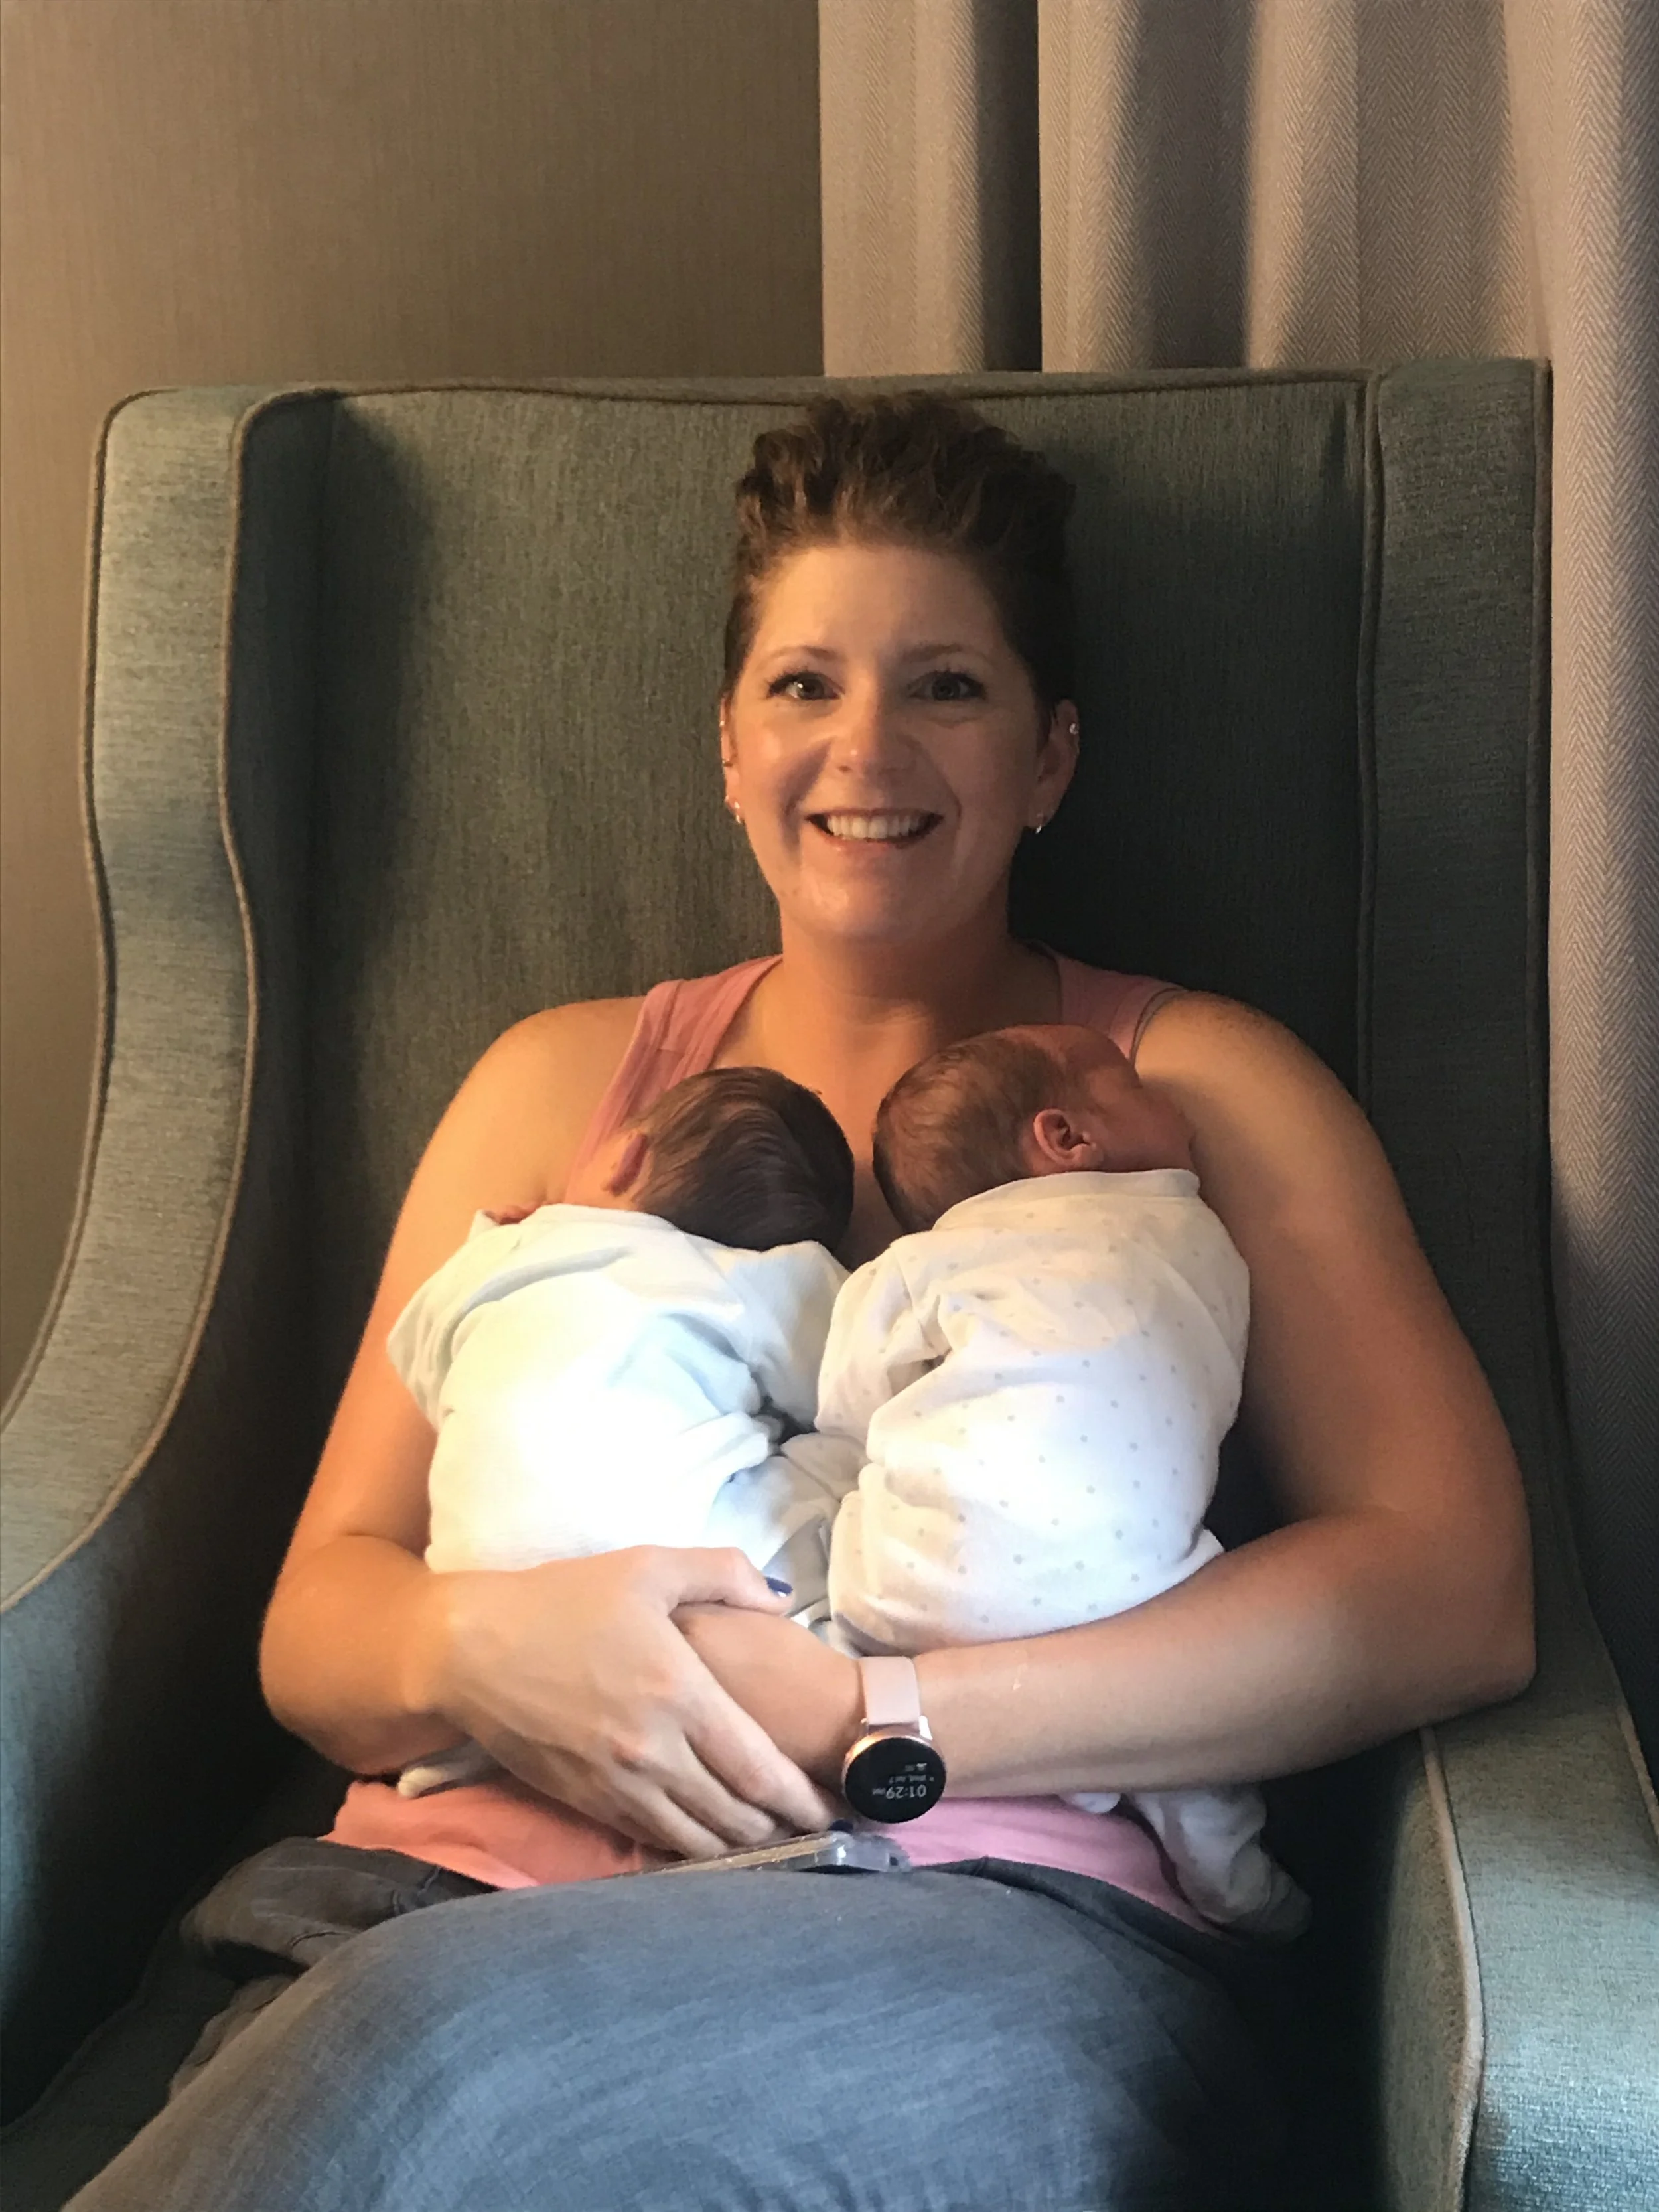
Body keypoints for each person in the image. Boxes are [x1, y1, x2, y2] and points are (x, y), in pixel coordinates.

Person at [70, 392, 1534, 2211]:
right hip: (422, 1896)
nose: (864, 743)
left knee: (418, 2067)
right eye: (800, 683)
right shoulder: (555, 1086)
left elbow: (1451, 1586)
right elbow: (321, 1618)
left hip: (969, 1922)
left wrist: (884, 1710)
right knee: (389, 2053)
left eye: (945, 685)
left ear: (1049, 756)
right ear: (724, 741)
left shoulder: (1192, 1087)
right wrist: (474, 1649)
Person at [820, 1020, 1309, 1938]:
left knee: (829, 1505)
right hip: (1129, 1613)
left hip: (917, 1584)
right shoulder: (1206, 1238)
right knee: (1190, 1745)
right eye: (1136, 1086)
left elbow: (846, 1397)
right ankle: (1243, 1889)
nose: (1181, 1112)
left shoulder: (928, 1259)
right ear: (1067, 1137)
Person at [386, 1063, 856, 1801]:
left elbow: (419, 1359)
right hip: (668, 1576)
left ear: (626, 1155)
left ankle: (468, 1761)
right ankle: (823, 1662)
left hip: (483, 1619)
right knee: (848, 1467)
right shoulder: (738, 1276)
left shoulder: (490, 1256)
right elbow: (847, 1373)